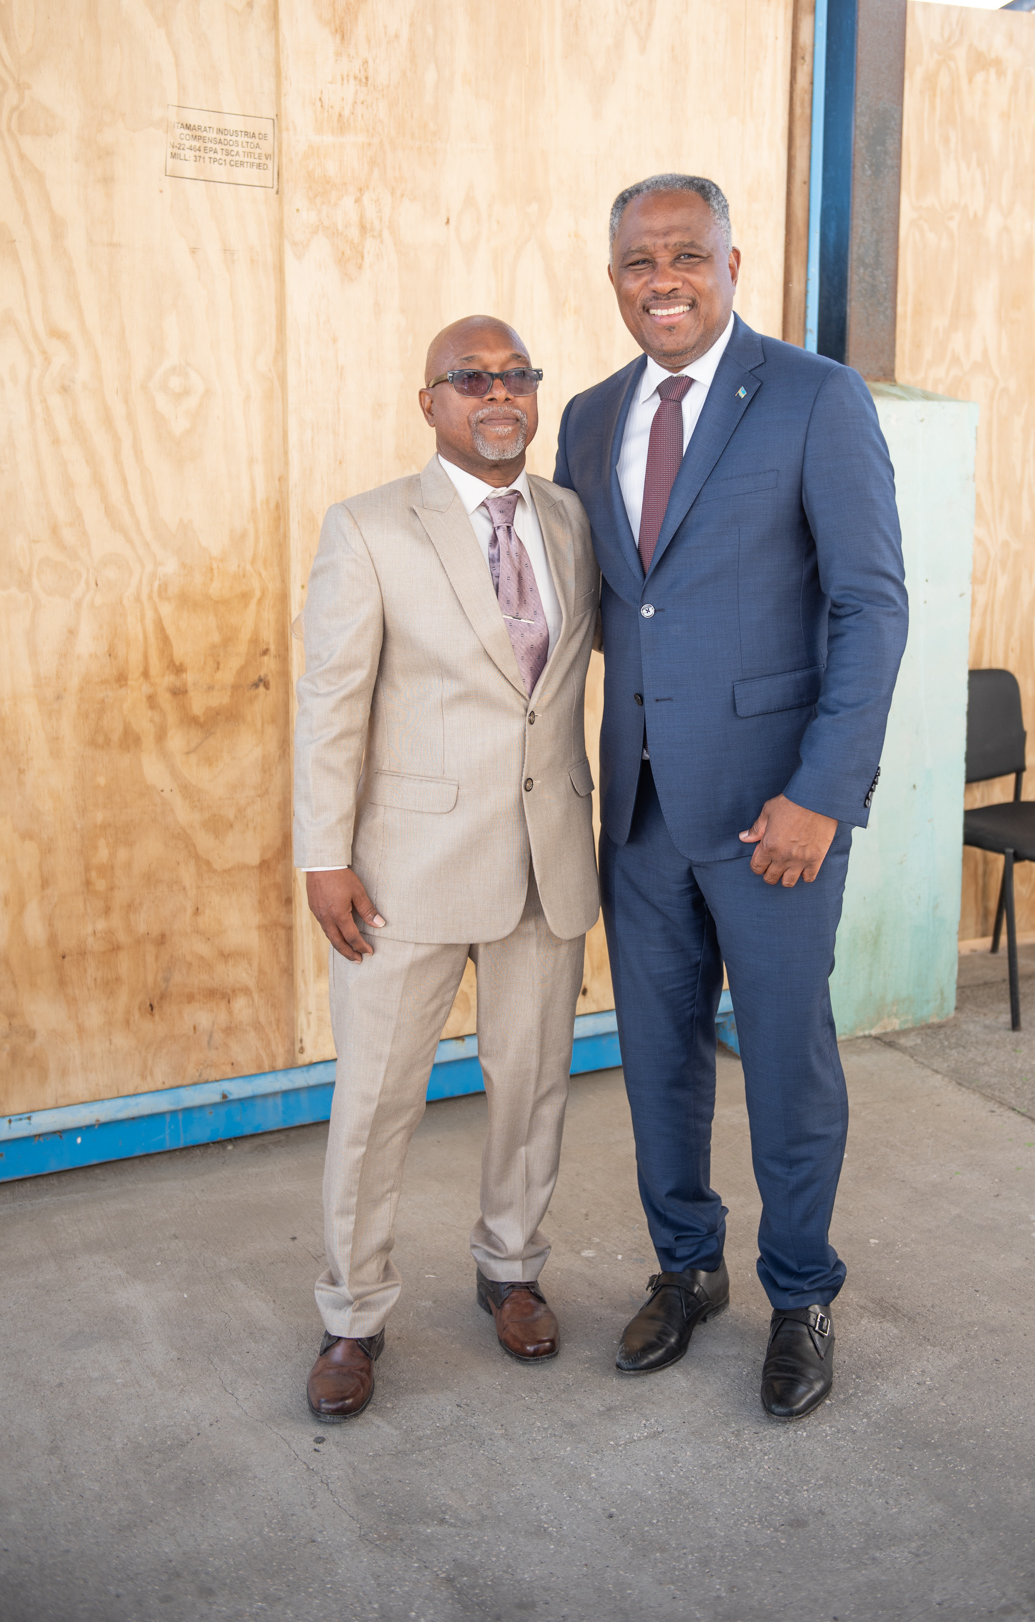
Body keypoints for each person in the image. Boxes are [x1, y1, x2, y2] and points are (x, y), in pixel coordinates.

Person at [554, 174, 907, 1421]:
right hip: (640, 815)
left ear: (731, 263)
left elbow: (870, 606)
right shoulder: (588, 418)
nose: (663, 279)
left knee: (786, 1066)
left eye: (686, 255)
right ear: (614, 279)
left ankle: (799, 1295)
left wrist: (823, 792)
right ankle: (686, 1269)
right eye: (639, 261)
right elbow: (615, 610)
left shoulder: (813, 396)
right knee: (656, 1062)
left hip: (773, 816)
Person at [294, 315, 600, 1420]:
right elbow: (330, 703)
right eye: (470, 378)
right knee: (376, 1101)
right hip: (403, 871)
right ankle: (351, 1314)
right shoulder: (369, 527)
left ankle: (511, 1270)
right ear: (429, 403)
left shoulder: (569, 519)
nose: (497, 393)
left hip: (546, 861)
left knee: (533, 1085)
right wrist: (324, 855)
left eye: (516, 375)